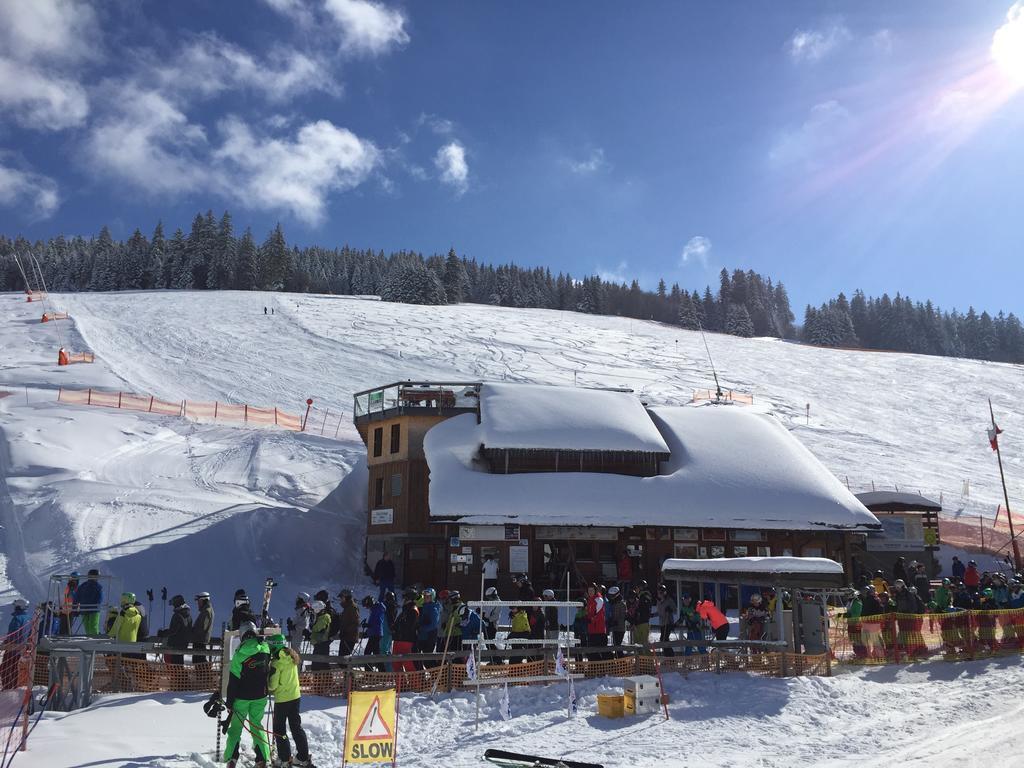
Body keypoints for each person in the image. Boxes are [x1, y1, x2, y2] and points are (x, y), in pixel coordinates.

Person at [223, 621, 271, 768]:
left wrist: (229, 702)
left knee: (236, 729)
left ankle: (231, 758)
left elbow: (234, 681)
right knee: (257, 726)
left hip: (241, 698)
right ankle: (262, 757)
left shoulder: (239, 654)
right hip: (260, 696)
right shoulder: (265, 649)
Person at [267, 634, 313, 767]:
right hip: (295, 697)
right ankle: (303, 757)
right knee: (296, 727)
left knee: (279, 729)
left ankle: (285, 759)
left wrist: (267, 678)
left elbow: (272, 686)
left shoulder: (276, 662)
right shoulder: (291, 656)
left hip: (282, 700)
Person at [1, 599, 31, 689]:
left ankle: (7, 688)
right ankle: (12, 687)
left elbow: (13, 634)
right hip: (21, 649)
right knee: (14, 669)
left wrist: (6, 643)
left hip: (12, 649)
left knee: (5, 669)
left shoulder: (17, 618)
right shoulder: (28, 618)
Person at [391, 591, 420, 673]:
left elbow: (409, 626)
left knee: (409, 665)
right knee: (396, 665)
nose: (404, 600)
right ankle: (401, 685)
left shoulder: (413, 610)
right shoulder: (404, 610)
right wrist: (394, 628)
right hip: (398, 640)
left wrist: (399, 628)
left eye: (406, 598)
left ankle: (415, 685)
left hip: (407, 641)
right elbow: (397, 624)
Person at [162, 595, 192, 665]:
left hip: (175, 644)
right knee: (179, 664)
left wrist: (163, 633)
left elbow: (174, 630)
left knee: (175, 665)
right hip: (183, 644)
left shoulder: (178, 615)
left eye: (174, 604)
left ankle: (178, 676)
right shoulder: (188, 615)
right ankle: (182, 675)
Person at [74, 569, 104, 636]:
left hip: (84, 609)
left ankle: (91, 639)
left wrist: (75, 608)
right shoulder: (98, 586)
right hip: (93, 610)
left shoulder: (82, 586)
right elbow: (99, 599)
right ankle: (95, 639)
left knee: (88, 627)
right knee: (93, 627)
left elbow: (76, 598)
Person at [417, 588, 441, 665]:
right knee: (420, 659)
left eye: (427, 597)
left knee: (427, 660)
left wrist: (421, 628)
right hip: (422, 636)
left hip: (429, 636)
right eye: (424, 596)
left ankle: (435, 674)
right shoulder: (424, 607)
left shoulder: (433, 608)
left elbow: (434, 624)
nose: (425, 598)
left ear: (432, 597)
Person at [362, 596, 385, 669]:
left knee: (367, 653)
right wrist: (367, 632)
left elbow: (377, 622)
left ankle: (369, 674)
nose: (367, 608)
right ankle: (382, 672)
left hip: (376, 633)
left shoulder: (377, 609)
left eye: (367, 606)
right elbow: (372, 622)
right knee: (376, 654)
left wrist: (368, 625)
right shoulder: (374, 609)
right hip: (375, 633)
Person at [585, 583, 607, 659]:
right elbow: (589, 613)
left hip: (598, 630)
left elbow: (597, 614)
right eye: (589, 590)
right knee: (592, 651)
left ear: (595, 590)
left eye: (592, 590)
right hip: (592, 630)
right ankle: (594, 668)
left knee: (598, 651)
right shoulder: (590, 600)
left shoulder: (598, 599)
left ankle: (600, 669)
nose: (590, 592)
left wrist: (590, 619)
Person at [308, 600, 332, 671]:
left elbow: (317, 629)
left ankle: (326, 680)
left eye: (314, 610)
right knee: (320, 665)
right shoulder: (321, 617)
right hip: (319, 643)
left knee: (319, 666)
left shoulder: (324, 618)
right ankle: (323, 680)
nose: (313, 612)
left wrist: (310, 629)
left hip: (321, 644)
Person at [627, 582, 653, 647]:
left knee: (643, 644)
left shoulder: (644, 597)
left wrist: (636, 615)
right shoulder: (640, 597)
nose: (636, 589)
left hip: (642, 622)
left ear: (641, 587)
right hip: (639, 622)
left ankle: (647, 657)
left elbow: (643, 610)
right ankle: (641, 657)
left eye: (637, 588)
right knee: (638, 644)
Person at [336, 590, 360, 657]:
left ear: (347, 597)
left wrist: (346, 632)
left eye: (342, 597)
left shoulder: (352, 607)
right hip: (345, 637)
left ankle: (347, 667)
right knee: (341, 659)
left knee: (344, 659)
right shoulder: (347, 607)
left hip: (350, 637)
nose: (340, 599)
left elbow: (356, 623)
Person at [192, 592, 214, 665]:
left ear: (203, 600)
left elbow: (202, 628)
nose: (198, 603)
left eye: (199, 601)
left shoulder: (206, 611)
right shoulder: (206, 610)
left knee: (199, 664)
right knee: (199, 663)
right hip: (199, 641)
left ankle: (208, 675)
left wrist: (192, 632)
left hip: (200, 642)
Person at [655, 584, 677, 656]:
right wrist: (652, 615)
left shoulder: (669, 600)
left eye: (661, 593)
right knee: (663, 639)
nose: (659, 594)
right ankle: (668, 656)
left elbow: (675, 610)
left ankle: (670, 656)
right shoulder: (658, 601)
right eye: (659, 593)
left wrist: (670, 610)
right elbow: (659, 612)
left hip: (668, 622)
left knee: (664, 639)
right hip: (662, 623)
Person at [606, 586, 626, 653]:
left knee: (618, 646)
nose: (611, 597)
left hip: (620, 628)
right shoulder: (612, 603)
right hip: (614, 628)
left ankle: (621, 661)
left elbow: (623, 616)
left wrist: (615, 622)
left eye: (612, 595)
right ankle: (618, 661)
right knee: (615, 645)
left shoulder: (621, 603)